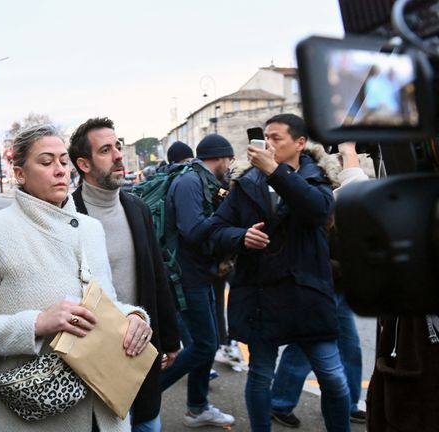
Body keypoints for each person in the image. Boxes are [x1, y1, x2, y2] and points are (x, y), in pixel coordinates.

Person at [0, 124, 153, 432]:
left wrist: (134, 317)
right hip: (28, 416)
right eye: (46, 162)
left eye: (63, 161)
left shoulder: (91, 228)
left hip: (104, 407)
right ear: (19, 173)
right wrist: (37, 324)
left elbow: (104, 303)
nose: (60, 170)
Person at [210, 113, 350, 432]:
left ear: (300, 143)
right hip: (261, 295)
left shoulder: (317, 177)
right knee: (260, 375)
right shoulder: (246, 183)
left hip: (307, 294)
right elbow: (215, 229)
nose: (268, 144)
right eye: (266, 138)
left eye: (277, 138)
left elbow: (317, 211)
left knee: (333, 377)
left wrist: (274, 170)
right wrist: (241, 237)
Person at [68, 117, 180, 432]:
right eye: (105, 150)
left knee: (147, 423)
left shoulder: (137, 208)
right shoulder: (69, 215)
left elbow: (157, 277)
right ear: (83, 164)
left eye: (117, 146)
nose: (119, 155)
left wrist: (169, 339)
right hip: (91, 359)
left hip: (140, 350)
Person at [270, 141, 367, 428]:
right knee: (305, 347)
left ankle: (348, 403)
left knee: (348, 347)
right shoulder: (316, 193)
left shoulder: (322, 190)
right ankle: (280, 402)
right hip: (320, 284)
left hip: (337, 283)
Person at [159, 134, 236, 428]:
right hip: (187, 277)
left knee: (209, 341)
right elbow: (193, 230)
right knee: (204, 344)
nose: (229, 165)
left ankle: (197, 407)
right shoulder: (191, 182)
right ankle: (146, 396)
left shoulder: (202, 180)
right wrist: (227, 219)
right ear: (219, 157)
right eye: (228, 159)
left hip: (198, 274)